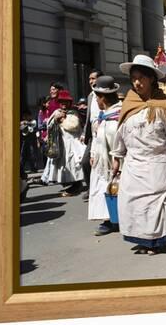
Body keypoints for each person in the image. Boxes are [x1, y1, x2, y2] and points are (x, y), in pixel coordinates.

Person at [111, 54, 166, 255]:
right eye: (134, 78)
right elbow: (121, 133)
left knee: (153, 204)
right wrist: (116, 156)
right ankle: (141, 239)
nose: (137, 82)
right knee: (131, 202)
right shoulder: (128, 105)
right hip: (133, 165)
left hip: (157, 163)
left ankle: (156, 242)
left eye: (141, 78)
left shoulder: (164, 106)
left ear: (152, 79)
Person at [88, 76, 122, 236]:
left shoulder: (117, 114)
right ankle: (108, 219)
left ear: (103, 98)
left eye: (97, 97)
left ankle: (114, 220)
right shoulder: (105, 114)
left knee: (114, 190)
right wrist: (94, 153)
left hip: (114, 162)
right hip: (102, 162)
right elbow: (98, 136)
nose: (96, 101)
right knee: (104, 190)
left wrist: (117, 161)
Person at [45, 89, 86, 196]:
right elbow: (49, 125)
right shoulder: (56, 112)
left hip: (73, 143)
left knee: (73, 164)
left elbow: (74, 126)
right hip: (60, 143)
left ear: (69, 102)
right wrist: (55, 120)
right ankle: (72, 184)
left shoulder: (73, 113)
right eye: (61, 101)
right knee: (65, 165)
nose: (63, 104)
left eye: (65, 101)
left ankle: (77, 185)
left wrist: (62, 121)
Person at [80, 69, 104, 199]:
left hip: (105, 133)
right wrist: (85, 133)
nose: (91, 81)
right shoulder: (90, 96)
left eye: (93, 78)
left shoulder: (107, 93)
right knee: (85, 162)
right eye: (90, 79)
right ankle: (90, 188)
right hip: (93, 137)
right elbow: (89, 117)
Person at [20, 110, 38, 176]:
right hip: (24, 140)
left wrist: (26, 123)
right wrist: (23, 124)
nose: (25, 117)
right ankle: (21, 168)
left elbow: (33, 125)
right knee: (23, 154)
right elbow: (21, 128)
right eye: (24, 116)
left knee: (32, 154)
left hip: (31, 140)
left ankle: (33, 168)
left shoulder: (33, 121)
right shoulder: (22, 122)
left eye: (26, 116)